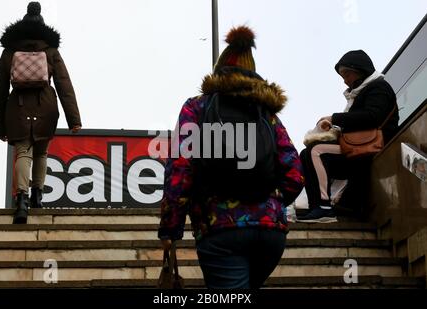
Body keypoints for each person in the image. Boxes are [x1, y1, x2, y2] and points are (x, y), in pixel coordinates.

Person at [158, 26, 304, 288]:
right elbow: (294, 172)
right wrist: (273, 201)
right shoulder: (267, 114)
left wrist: (171, 228)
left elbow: (181, 168)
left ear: (219, 68)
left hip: (221, 228)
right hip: (269, 232)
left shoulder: (197, 106)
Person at [0, 2, 82, 224]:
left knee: (23, 151)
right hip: (46, 106)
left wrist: (0, 125)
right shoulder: (50, 50)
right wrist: (74, 120)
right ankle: (37, 198)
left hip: (17, 108)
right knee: (41, 152)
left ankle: (21, 201)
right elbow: (64, 84)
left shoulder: (10, 51)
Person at [297, 50, 399, 223]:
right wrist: (334, 128)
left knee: (316, 151)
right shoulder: (362, 91)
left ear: (361, 70)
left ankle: (323, 207)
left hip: (374, 144)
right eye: (342, 75)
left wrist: (334, 118)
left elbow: (372, 116)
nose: (344, 79)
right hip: (360, 145)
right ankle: (318, 206)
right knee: (307, 153)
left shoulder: (379, 87)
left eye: (347, 73)